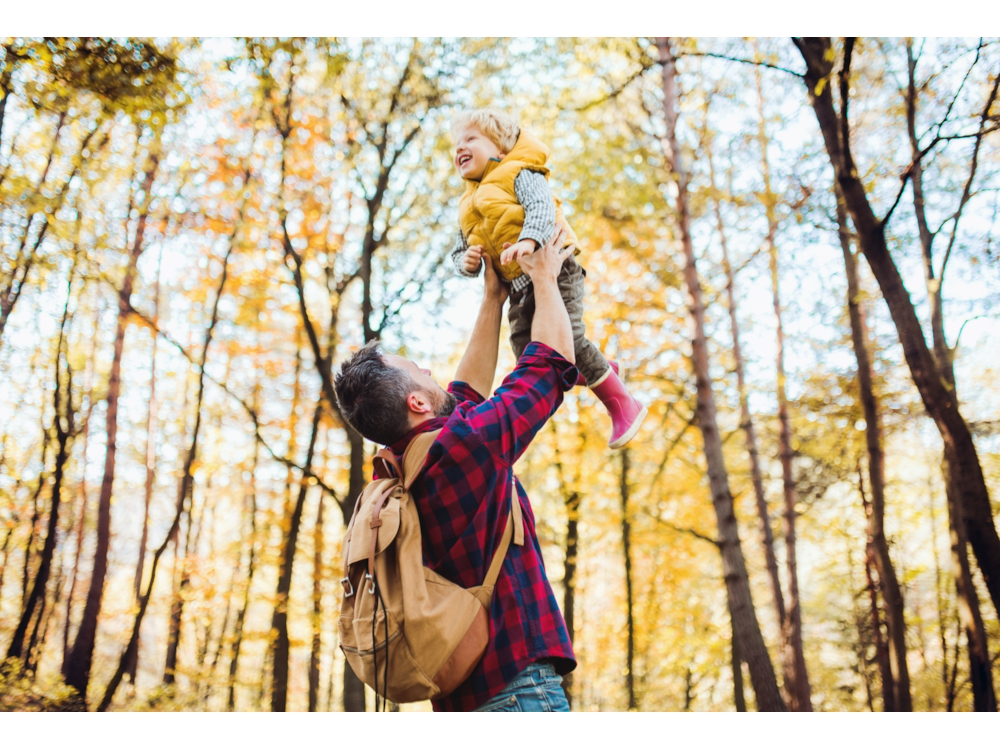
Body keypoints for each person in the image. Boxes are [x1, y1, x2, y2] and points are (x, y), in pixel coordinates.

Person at [334, 229, 577, 712]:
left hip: (462, 702)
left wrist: (492, 298)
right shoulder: (460, 449)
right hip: (519, 694)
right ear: (417, 401)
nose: (429, 370)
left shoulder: (403, 466)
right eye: (421, 370)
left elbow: (464, 391)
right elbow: (550, 367)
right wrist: (546, 280)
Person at [449, 108, 647, 449]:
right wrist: (465, 262)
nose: (459, 148)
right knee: (527, 353)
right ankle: (601, 368)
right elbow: (459, 248)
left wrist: (530, 239)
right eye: (456, 144)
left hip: (556, 267)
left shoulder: (519, 172)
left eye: (470, 139)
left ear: (501, 148)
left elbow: (541, 207)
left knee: (567, 338)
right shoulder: (468, 203)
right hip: (518, 287)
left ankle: (622, 403)